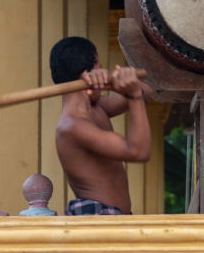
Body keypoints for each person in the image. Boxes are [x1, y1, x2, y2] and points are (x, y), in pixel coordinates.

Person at [49, 36, 153, 216]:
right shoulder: (73, 126)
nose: (104, 70)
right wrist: (132, 93)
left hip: (114, 217)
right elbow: (139, 152)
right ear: (87, 74)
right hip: (97, 217)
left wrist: (113, 82)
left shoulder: (97, 108)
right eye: (100, 67)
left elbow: (146, 92)